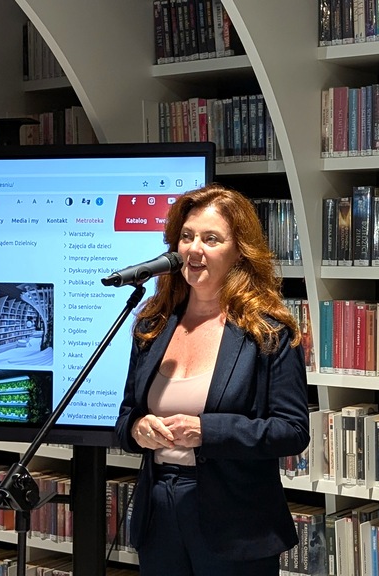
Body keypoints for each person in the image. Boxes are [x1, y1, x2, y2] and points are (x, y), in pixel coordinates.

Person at [115, 183, 311, 575]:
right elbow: (125, 418)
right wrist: (138, 429)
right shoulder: (154, 325)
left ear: (240, 252)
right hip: (159, 514)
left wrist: (207, 431)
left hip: (236, 524)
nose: (194, 249)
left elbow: (292, 431)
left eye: (211, 239)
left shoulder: (267, 332)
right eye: (186, 236)